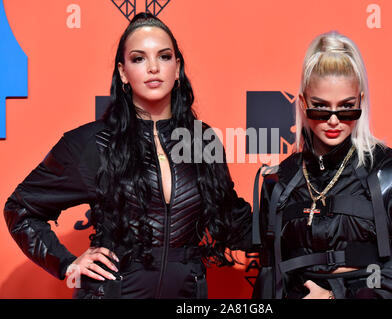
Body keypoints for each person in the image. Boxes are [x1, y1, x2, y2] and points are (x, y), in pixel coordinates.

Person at [3, 12, 251, 299]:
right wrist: (68, 264)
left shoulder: (203, 141)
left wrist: (290, 203)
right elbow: (20, 209)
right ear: (123, 72)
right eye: (139, 58)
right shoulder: (93, 143)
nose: (154, 68)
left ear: (178, 67)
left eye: (164, 56)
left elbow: (234, 220)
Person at [252, 31, 392, 299]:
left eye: (346, 107)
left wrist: (335, 298)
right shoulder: (279, 182)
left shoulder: (391, 174)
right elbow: (269, 275)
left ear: (360, 101)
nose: (334, 120)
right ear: (303, 103)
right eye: (321, 108)